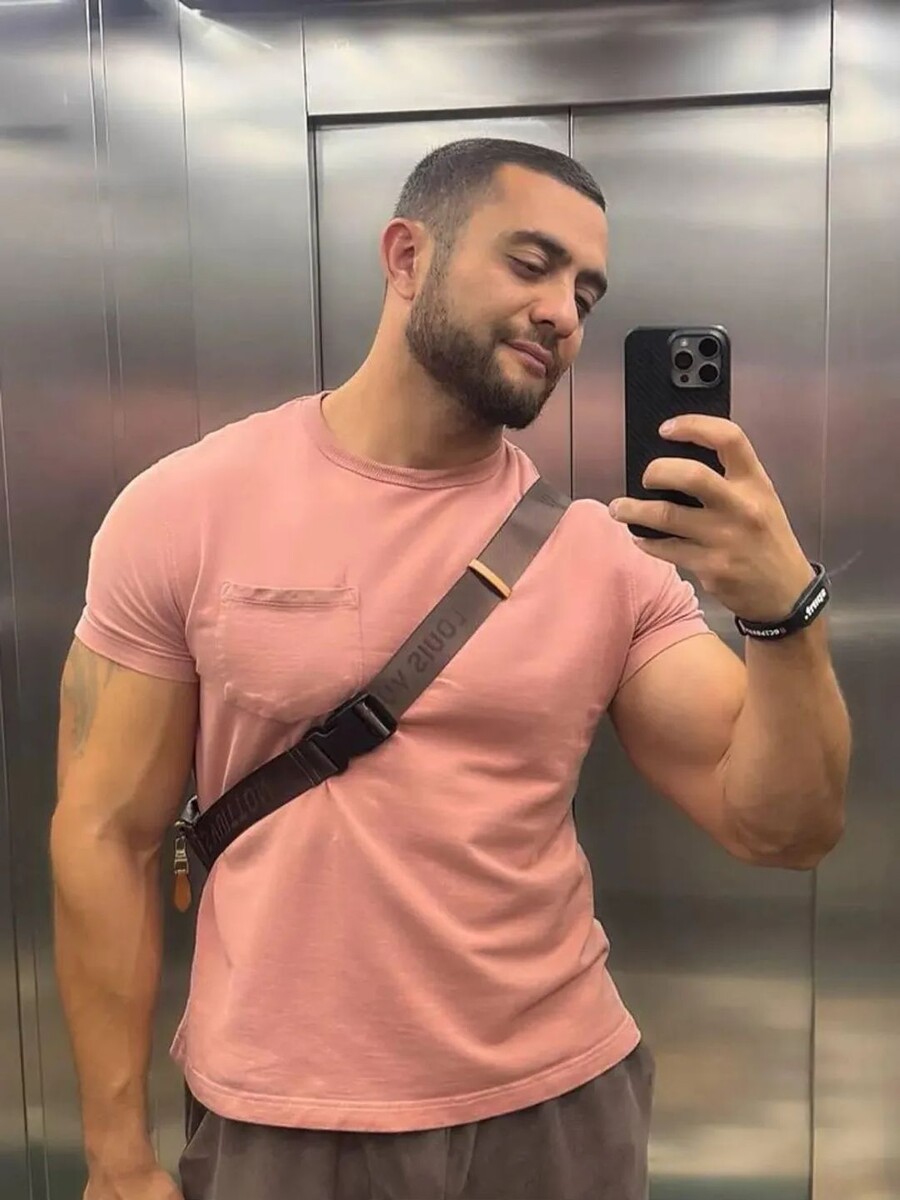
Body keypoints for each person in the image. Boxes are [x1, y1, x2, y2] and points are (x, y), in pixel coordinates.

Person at [51, 138, 850, 1200]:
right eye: (531, 264)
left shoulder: (603, 557)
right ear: (406, 256)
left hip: (558, 1109)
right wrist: (115, 1154)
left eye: (586, 293)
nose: (562, 313)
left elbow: (783, 829)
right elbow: (105, 832)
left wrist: (785, 615)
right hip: (286, 1115)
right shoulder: (188, 507)